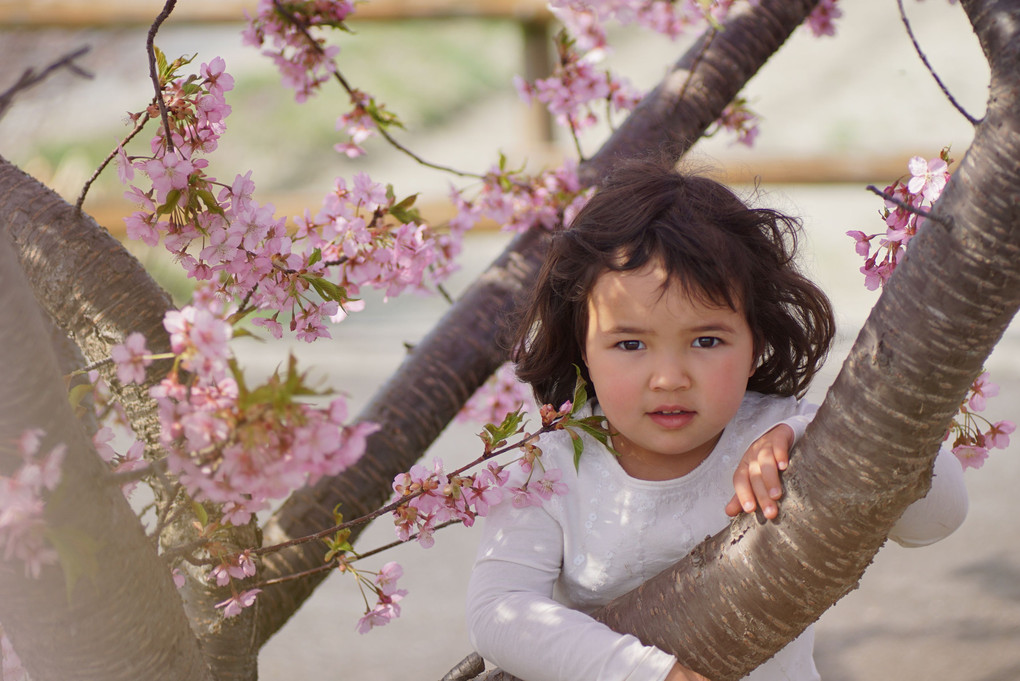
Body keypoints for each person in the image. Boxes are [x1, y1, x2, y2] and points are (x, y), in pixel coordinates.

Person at [464, 158, 968, 681]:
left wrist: (808, 437)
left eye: (707, 341)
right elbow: (499, 614)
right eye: (630, 343)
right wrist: (645, 674)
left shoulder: (783, 435)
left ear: (755, 343)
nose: (669, 377)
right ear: (582, 347)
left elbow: (938, 516)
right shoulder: (548, 467)